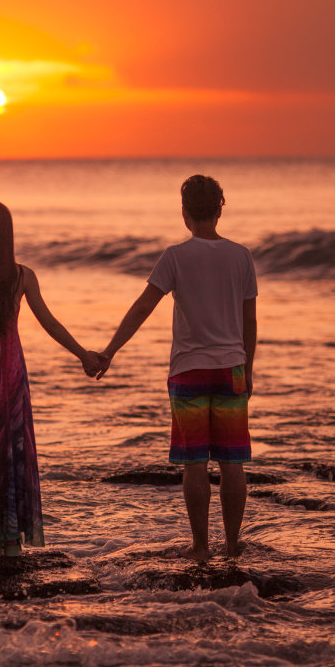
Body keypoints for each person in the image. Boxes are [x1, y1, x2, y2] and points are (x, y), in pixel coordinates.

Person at [96, 175, 257, 561]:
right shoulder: (241, 256)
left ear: (185, 213)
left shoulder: (175, 256)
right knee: (232, 462)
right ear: (220, 209)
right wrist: (247, 369)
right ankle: (233, 546)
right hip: (231, 367)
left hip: (188, 371)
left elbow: (141, 307)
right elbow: (249, 321)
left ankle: (201, 546)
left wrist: (109, 351)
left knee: (195, 463)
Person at [0, 202, 103, 557]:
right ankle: (11, 540)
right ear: (9, 237)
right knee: (14, 448)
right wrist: (84, 354)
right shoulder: (23, 277)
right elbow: (49, 323)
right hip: (11, 372)